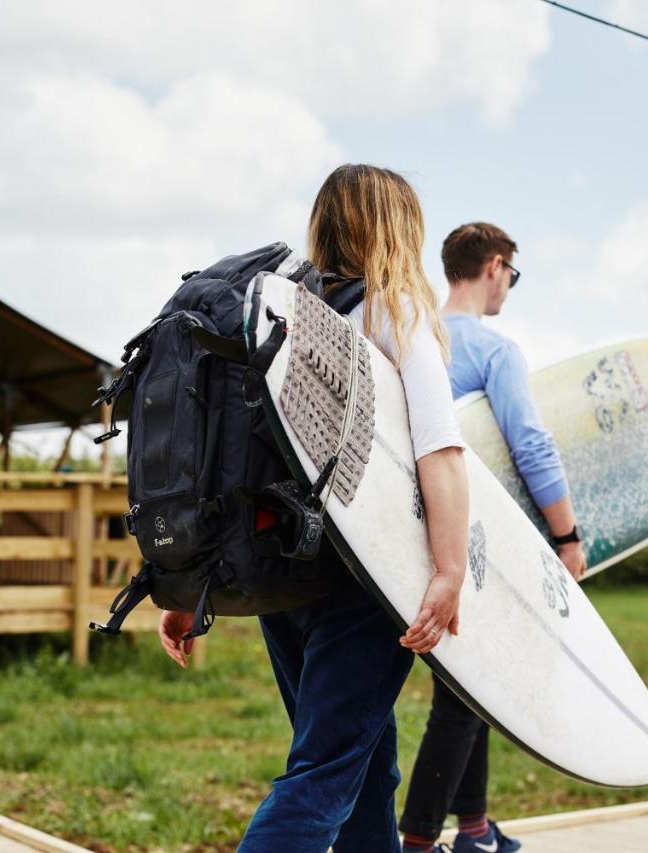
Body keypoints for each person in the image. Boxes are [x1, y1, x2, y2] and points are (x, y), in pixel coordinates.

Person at [158, 164, 471, 853]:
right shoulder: (395, 313)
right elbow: (440, 451)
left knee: (364, 763)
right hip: (361, 582)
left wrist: (186, 584)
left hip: (283, 580)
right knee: (323, 775)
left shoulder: (283, 311)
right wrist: (449, 568)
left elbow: (217, 458)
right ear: (398, 229)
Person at [399, 223, 587, 853]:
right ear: (496, 267)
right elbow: (530, 445)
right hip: (476, 545)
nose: (509, 285)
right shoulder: (494, 351)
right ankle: (422, 840)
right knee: (464, 696)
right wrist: (567, 534)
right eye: (512, 275)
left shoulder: (417, 335)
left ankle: (474, 830)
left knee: (473, 684)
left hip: (407, 535)